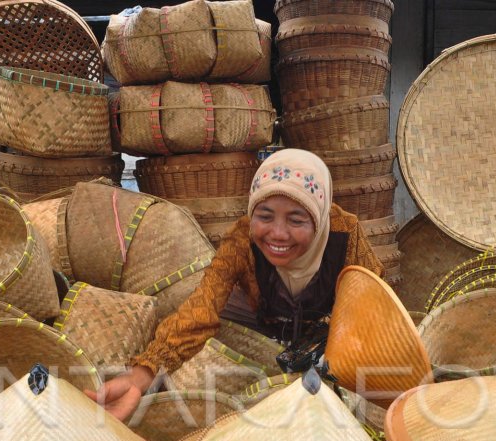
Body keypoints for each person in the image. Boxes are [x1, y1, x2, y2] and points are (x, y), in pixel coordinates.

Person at [87, 148, 384, 420]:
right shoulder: (242, 239)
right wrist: (143, 373)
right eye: (264, 216)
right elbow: (201, 308)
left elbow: (374, 305)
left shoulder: (345, 234)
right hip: (266, 317)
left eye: (296, 220)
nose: (278, 234)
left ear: (319, 220)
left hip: (329, 327)